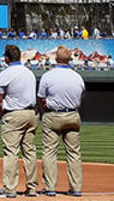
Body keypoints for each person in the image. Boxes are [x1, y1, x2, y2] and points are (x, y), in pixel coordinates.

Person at [37, 46, 85, 197]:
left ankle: (50, 187)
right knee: (74, 153)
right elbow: (81, 96)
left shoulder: (48, 76)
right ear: (70, 59)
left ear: (56, 58)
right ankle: (76, 188)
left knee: (49, 152)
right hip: (72, 114)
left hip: (53, 114)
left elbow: (41, 98)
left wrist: (46, 110)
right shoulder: (77, 77)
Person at [0, 44, 37, 198]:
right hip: (31, 113)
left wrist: (2, 113)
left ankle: (10, 188)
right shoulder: (29, 73)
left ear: (6, 58)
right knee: (29, 151)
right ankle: (32, 188)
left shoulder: (5, 74)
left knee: (11, 151)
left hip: (14, 113)